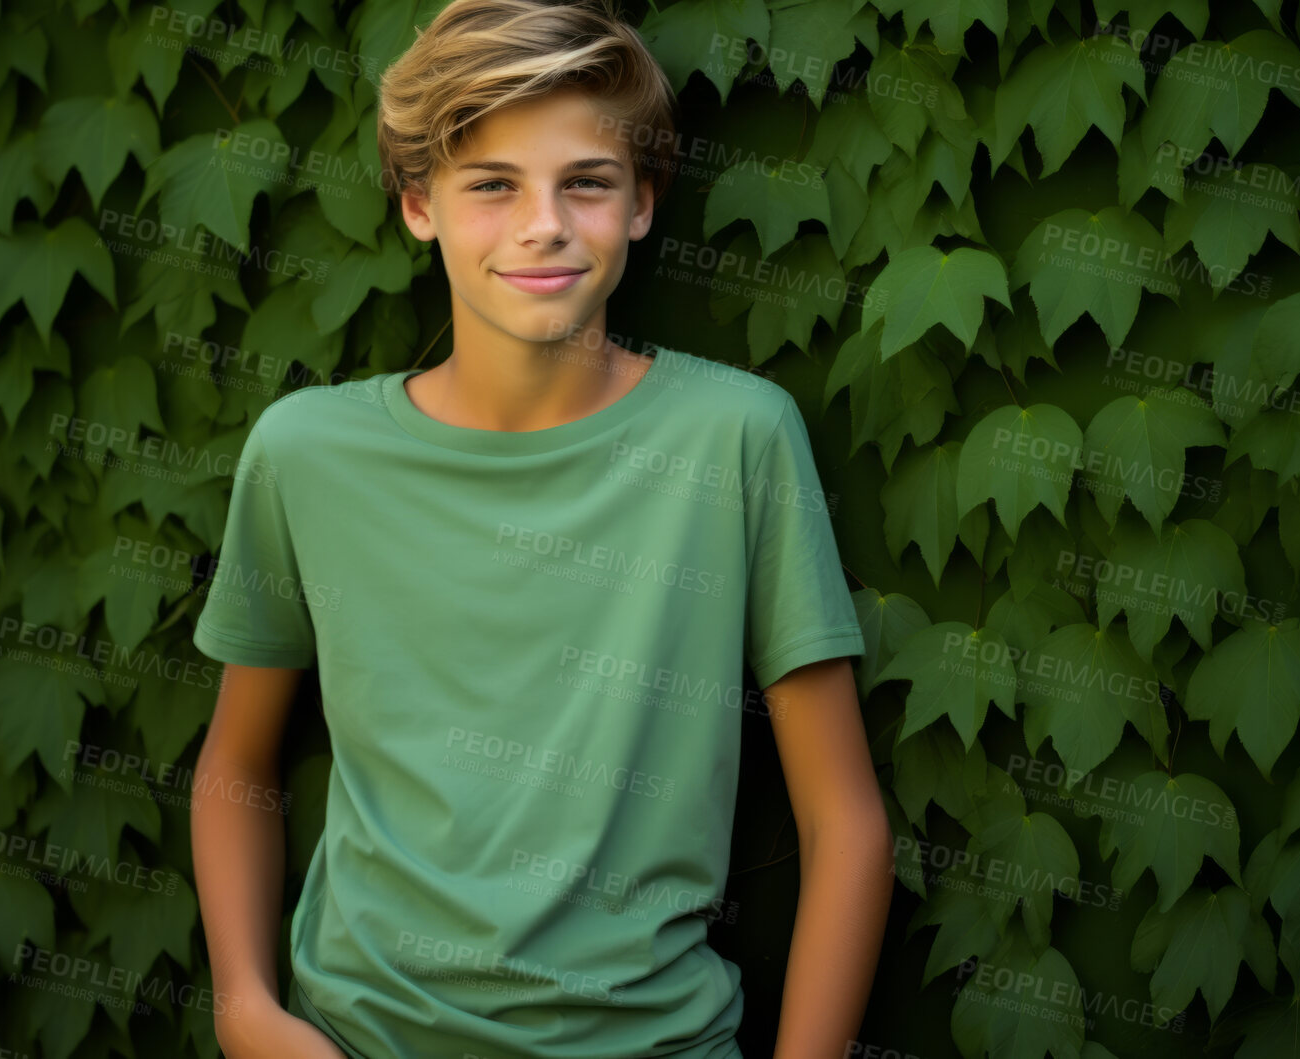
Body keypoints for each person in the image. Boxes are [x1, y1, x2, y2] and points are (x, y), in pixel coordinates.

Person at [188, 1, 893, 1056]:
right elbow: (235, 762)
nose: (543, 224)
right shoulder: (305, 454)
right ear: (417, 204)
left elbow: (844, 824)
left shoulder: (735, 439)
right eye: (491, 185)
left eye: (587, 183)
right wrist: (244, 1008)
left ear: (642, 204)